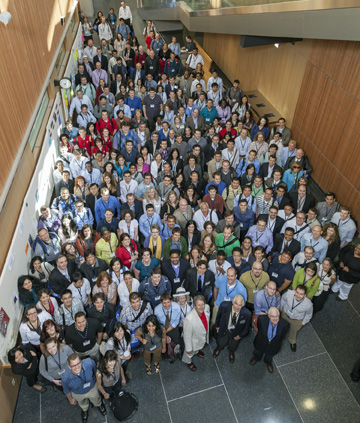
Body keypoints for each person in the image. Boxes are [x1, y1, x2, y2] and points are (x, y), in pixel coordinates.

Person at [62, 353, 106, 423]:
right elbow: (66, 390)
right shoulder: (65, 378)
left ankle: (99, 404)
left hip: (92, 388)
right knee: (82, 403)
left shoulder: (89, 362)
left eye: (78, 363)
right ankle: (84, 410)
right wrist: (70, 399)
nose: (76, 367)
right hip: (78, 393)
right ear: (69, 367)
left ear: (81, 361)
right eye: (73, 366)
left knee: (96, 398)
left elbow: (95, 370)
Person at [213, 294, 251, 363]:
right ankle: (219, 348)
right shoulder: (224, 306)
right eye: (236, 303)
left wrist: (240, 335)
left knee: (233, 346)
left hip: (236, 333)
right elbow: (218, 317)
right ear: (232, 302)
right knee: (221, 342)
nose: (237, 307)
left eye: (240, 305)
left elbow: (246, 328)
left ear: (242, 305)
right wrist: (217, 326)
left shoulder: (247, 314)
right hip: (224, 329)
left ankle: (231, 352)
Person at [250, 307, 289, 373]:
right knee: (257, 352)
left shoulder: (284, 324)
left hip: (274, 346)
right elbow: (260, 330)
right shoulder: (261, 319)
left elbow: (282, 335)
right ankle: (256, 358)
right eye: (272, 316)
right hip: (260, 342)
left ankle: (268, 362)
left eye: (276, 316)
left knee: (269, 356)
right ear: (268, 316)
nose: (275, 318)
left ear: (279, 315)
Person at [280, 286, 313, 352]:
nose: (298, 295)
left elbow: (309, 314)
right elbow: (283, 300)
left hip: (296, 320)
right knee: (280, 327)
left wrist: (303, 323)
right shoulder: (289, 293)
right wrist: (280, 309)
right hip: (285, 314)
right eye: (297, 292)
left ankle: (292, 341)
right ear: (295, 291)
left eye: (301, 294)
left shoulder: (308, 304)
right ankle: (279, 336)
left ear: (305, 295)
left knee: (293, 332)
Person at [182, 295, 209, 371]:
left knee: (197, 348)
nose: (201, 307)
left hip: (200, 338)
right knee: (189, 353)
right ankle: (188, 361)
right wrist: (188, 348)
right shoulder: (189, 319)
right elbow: (187, 336)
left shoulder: (206, 308)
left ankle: (197, 351)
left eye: (202, 304)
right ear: (194, 306)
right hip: (193, 341)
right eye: (199, 305)